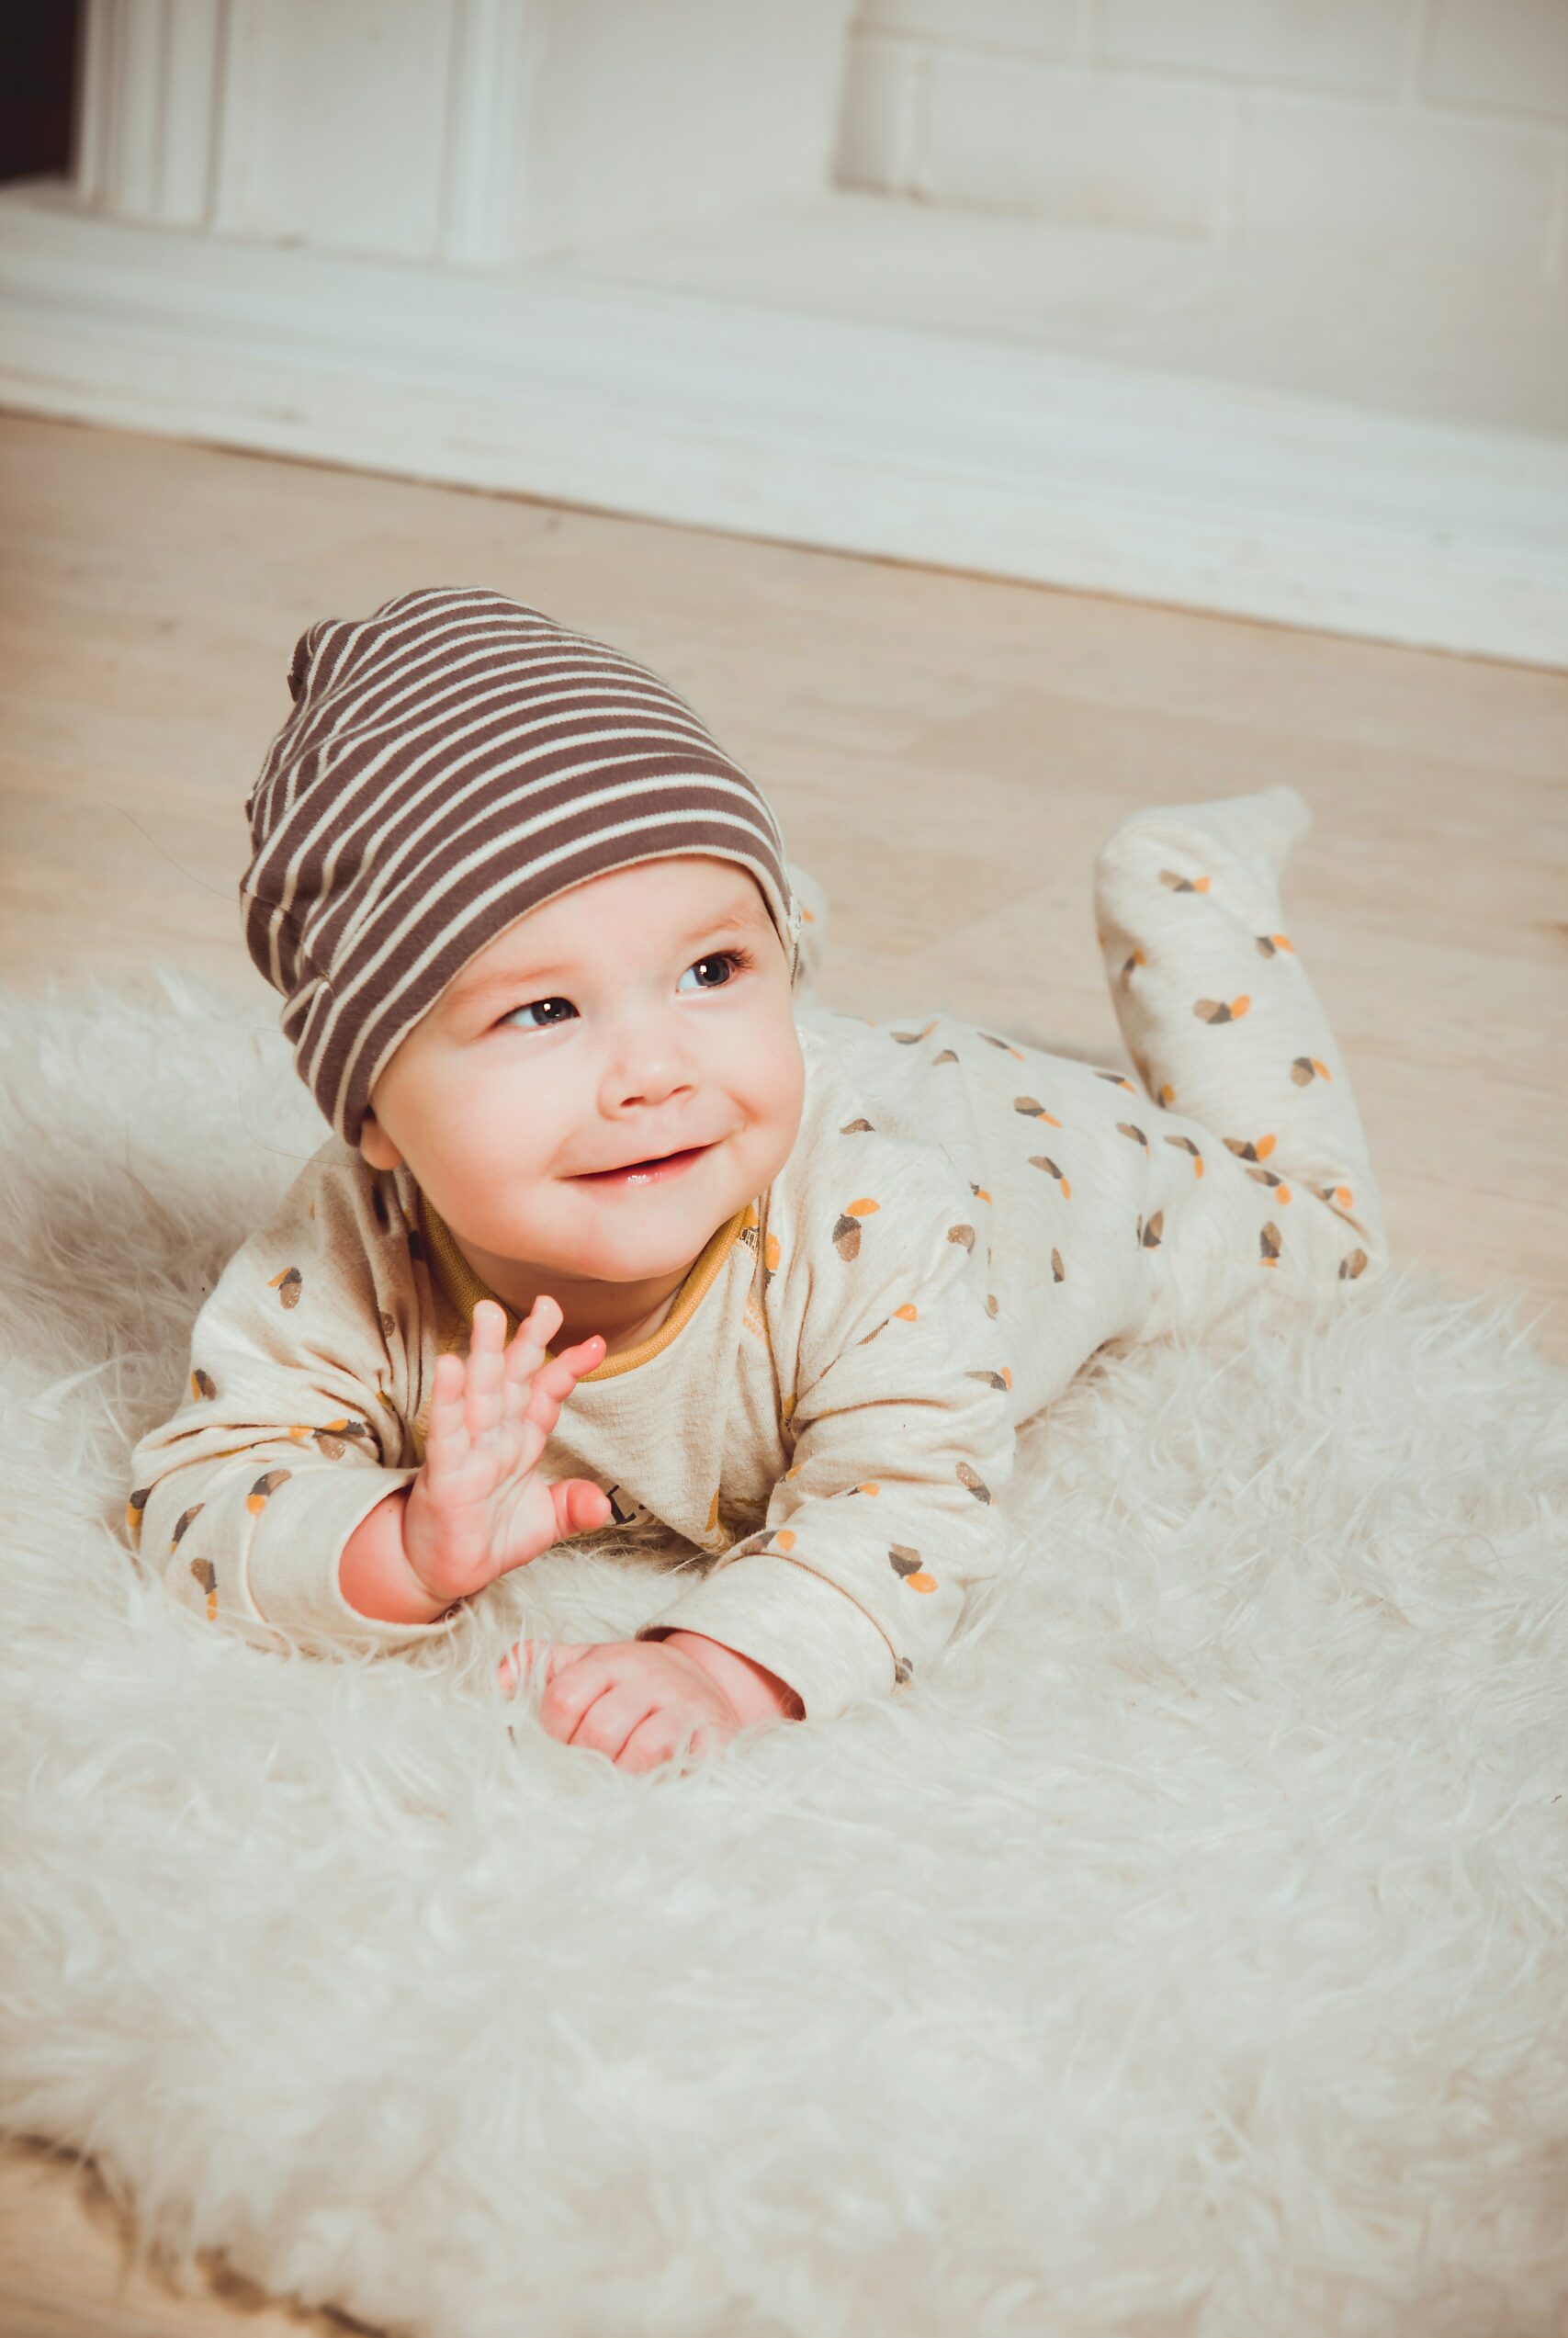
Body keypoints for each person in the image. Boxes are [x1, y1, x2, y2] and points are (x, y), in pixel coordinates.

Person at [126, 587, 1386, 1774]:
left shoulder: (881, 1221)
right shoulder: (350, 1250)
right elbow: (200, 1496)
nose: (652, 1074)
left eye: (712, 970)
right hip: (782, 1084)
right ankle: (758, 942)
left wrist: (717, 1669)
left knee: (1322, 1234)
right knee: (719, 1037)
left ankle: (1184, 885)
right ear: (371, 1112)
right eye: (544, 1009)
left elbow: (908, 1502)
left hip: (1019, 1152)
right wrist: (398, 1545)